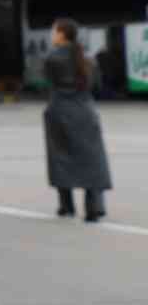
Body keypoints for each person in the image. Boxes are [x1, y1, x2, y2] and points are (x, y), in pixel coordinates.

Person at [43, 19, 113, 222]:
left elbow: (48, 83)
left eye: (54, 31)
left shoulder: (52, 58)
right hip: (85, 111)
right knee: (93, 159)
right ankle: (94, 208)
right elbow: (96, 85)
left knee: (60, 158)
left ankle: (66, 206)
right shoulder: (87, 59)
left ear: (62, 34)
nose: (52, 35)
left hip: (60, 111)